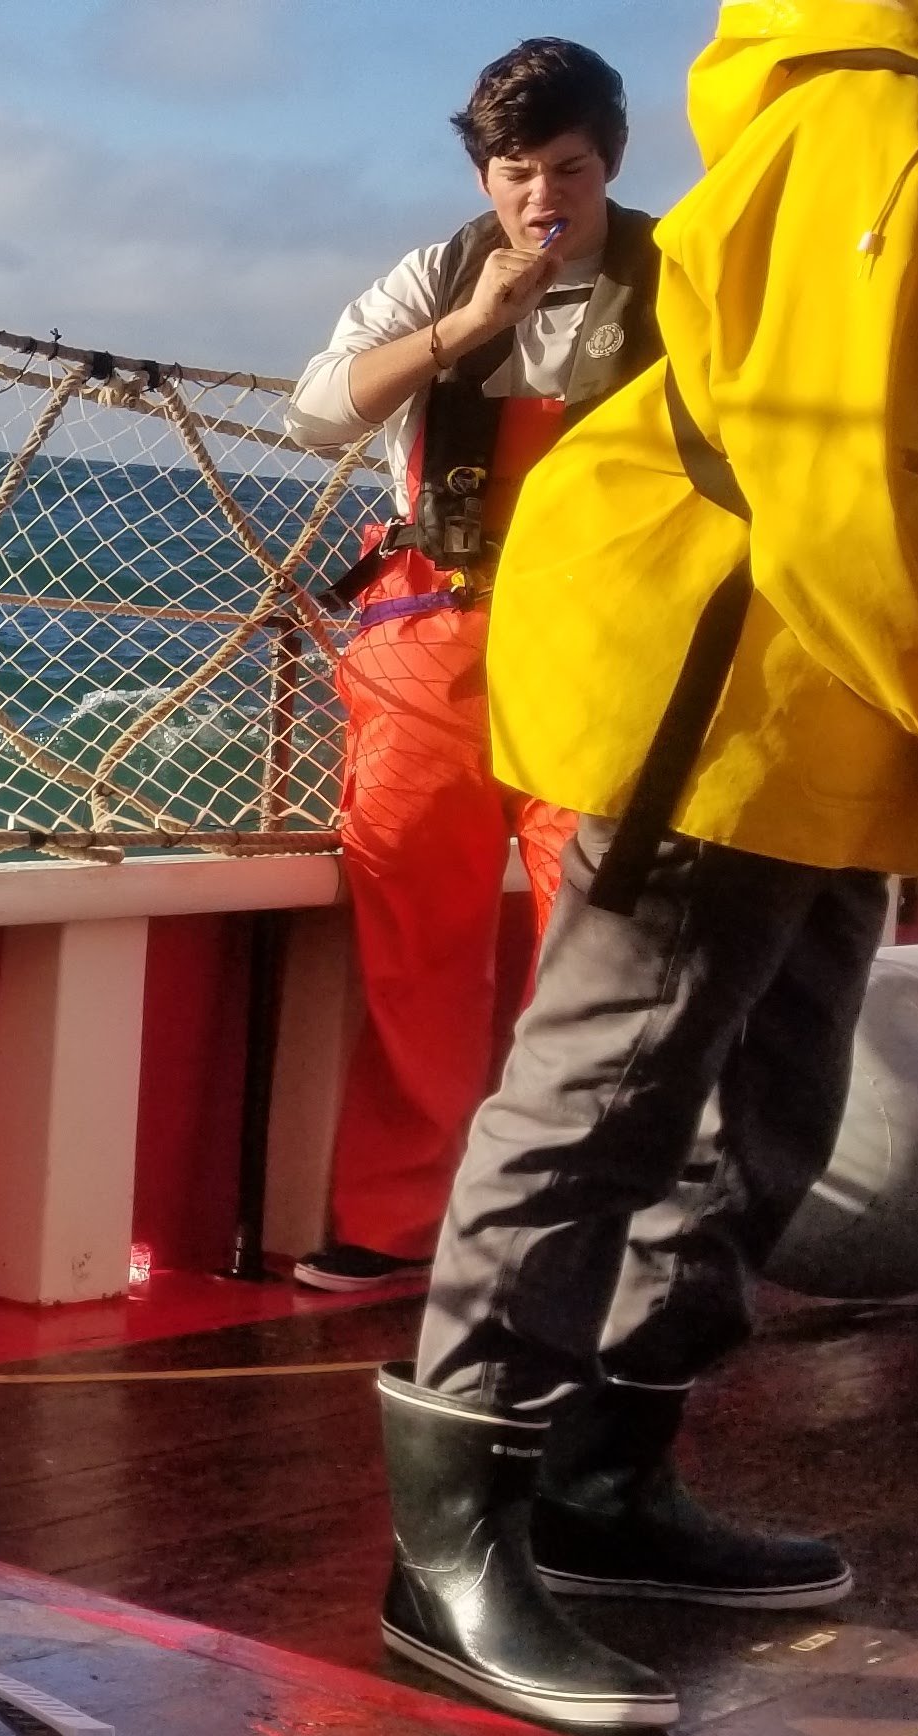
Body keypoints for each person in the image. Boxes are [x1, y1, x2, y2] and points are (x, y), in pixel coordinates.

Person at [380, 0, 918, 1733]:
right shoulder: (883, 126)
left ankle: (604, 1474)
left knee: (772, 1114)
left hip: (845, 713)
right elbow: (834, 494)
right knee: (594, 1104)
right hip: (724, 693)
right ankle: (446, 1549)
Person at [282, 39, 657, 1293]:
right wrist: (465, 326)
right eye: (519, 174)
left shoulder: (684, 284)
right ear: (483, 173)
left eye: (571, 170)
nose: (545, 198)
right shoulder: (429, 274)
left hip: (610, 645)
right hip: (429, 635)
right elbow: (318, 411)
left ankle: (564, 1233)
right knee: (413, 929)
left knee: (596, 942)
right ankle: (394, 1223)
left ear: (613, 161)